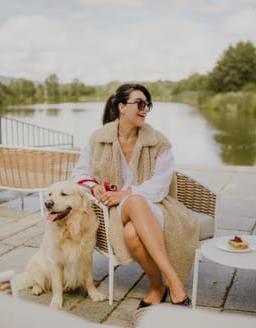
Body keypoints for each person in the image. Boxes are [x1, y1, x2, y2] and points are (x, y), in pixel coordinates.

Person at [71, 83, 199, 311]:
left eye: (147, 105)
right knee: (134, 201)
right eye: (139, 104)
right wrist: (94, 187)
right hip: (114, 209)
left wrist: (125, 194)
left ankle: (157, 286)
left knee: (132, 232)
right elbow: (79, 174)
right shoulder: (98, 139)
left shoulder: (159, 142)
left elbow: (159, 187)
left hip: (156, 206)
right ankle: (175, 283)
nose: (145, 109)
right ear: (121, 107)